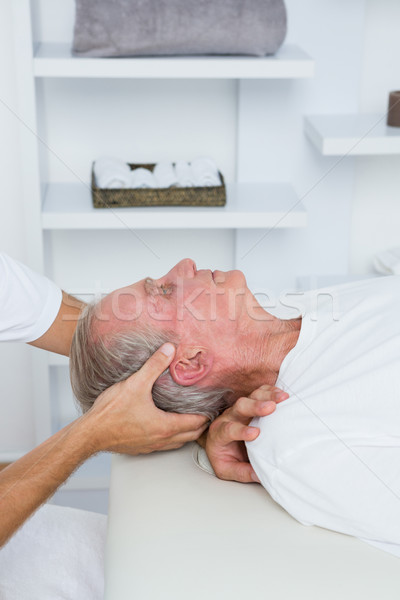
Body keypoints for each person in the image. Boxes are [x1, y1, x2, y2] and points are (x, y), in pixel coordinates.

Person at [69, 258, 400, 558]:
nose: (185, 263)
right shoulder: (296, 445)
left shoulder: (304, 306)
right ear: (191, 363)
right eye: (165, 291)